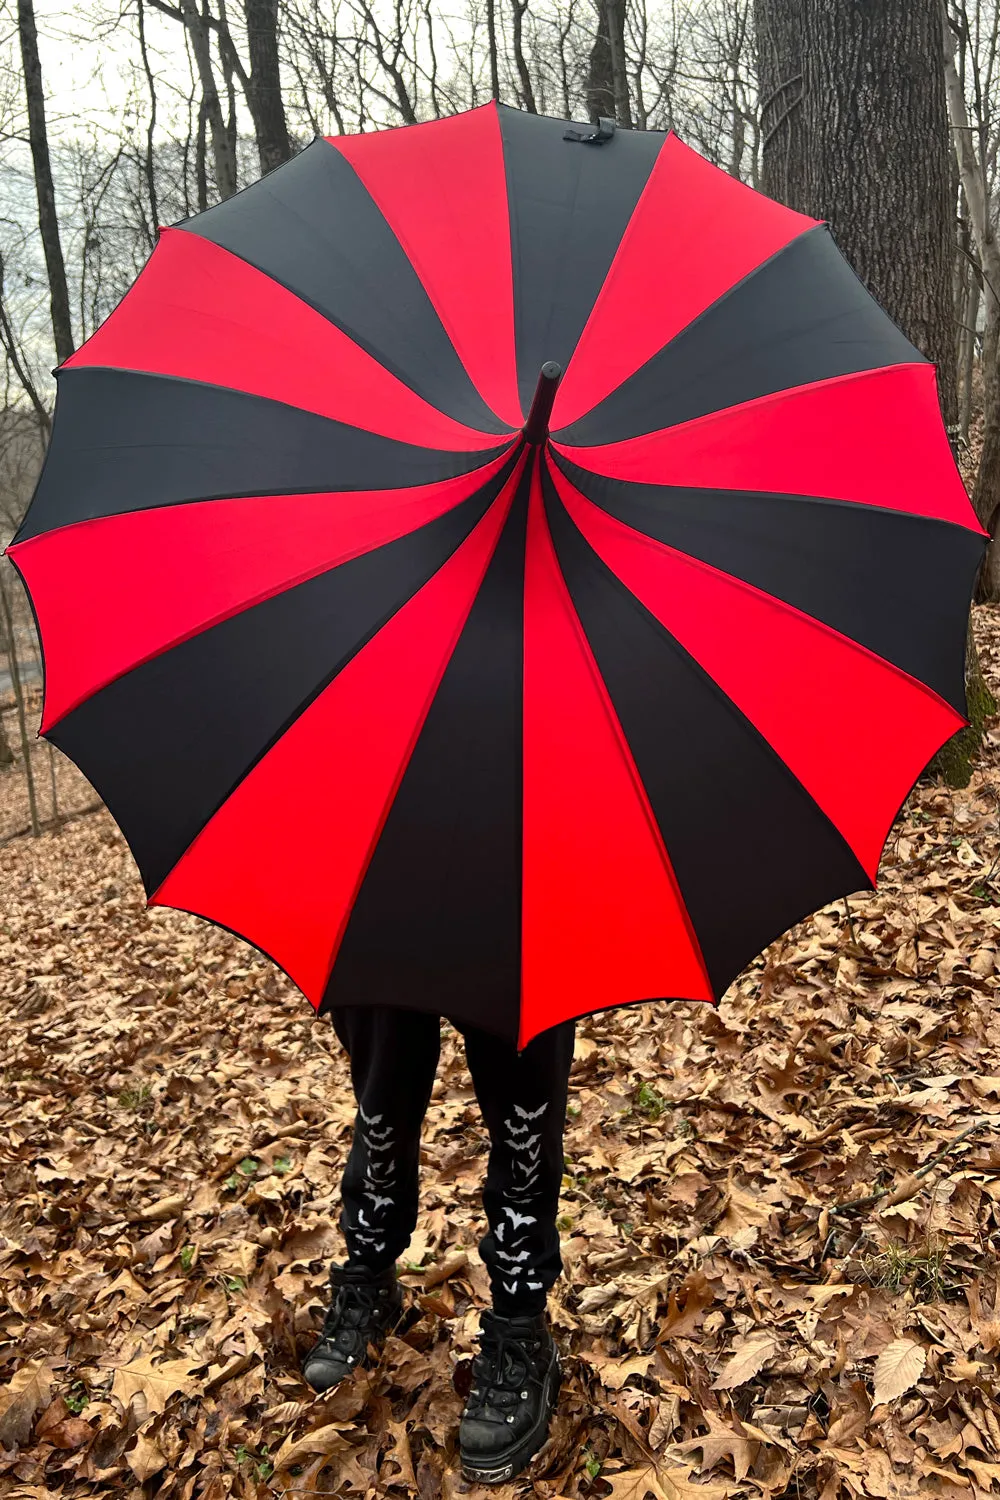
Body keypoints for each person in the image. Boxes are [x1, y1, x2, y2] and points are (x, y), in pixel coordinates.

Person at [302, 1005, 576, 1485]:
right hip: (390, 933)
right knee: (382, 1083)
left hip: (519, 940)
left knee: (525, 1099)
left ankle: (521, 1323)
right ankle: (371, 1274)